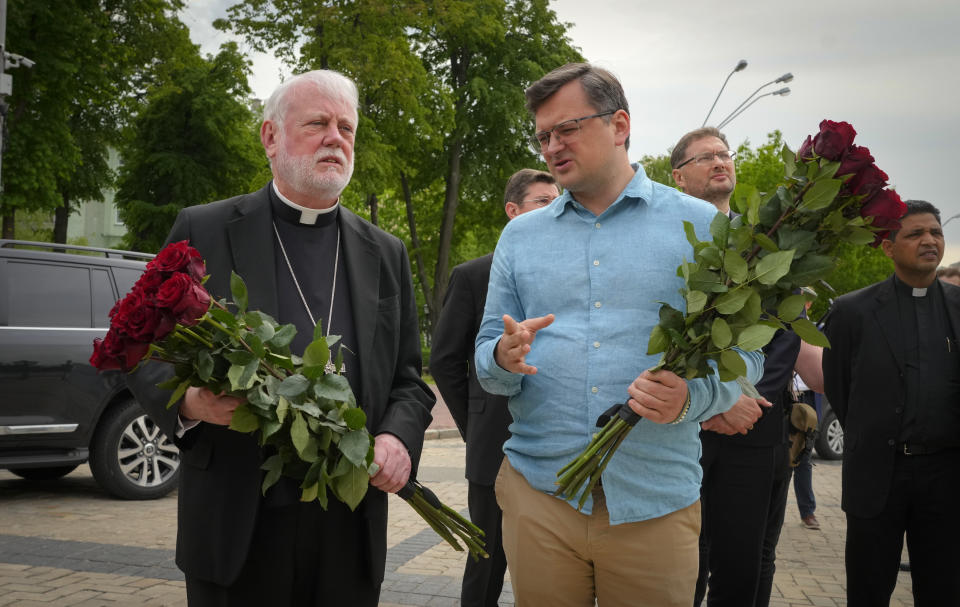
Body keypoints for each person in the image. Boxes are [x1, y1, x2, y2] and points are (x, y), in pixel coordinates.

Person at [127, 70, 435, 606]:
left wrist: (396, 439)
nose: (335, 138)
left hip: (349, 520)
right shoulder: (204, 229)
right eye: (318, 123)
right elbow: (140, 346)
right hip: (236, 521)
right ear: (271, 137)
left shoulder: (386, 252)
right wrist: (193, 403)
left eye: (347, 127)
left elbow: (409, 379)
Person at [474, 63, 765, 607]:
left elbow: (748, 355)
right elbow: (486, 355)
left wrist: (692, 398)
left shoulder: (705, 228)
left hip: (653, 501)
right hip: (540, 496)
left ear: (620, 125)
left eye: (568, 128)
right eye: (543, 136)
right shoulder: (520, 236)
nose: (552, 146)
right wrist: (502, 356)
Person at [671, 127, 823, 606]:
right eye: (705, 157)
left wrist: (744, 399)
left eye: (724, 154)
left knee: (741, 562)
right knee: (681, 559)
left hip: (754, 425)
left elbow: (784, 334)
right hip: (680, 425)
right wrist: (705, 401)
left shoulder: (768, 242)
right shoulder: (667, 238)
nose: (720, 162)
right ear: (678, 177)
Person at [431, 168, 559, 607]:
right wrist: (475, 425)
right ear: (513, 211)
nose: (554, 208)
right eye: (543, 201)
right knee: (487, 565)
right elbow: (444, 361)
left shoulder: (568, 275)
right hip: (495, 450)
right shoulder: (473, 276)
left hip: (559, 447)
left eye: (558, 201)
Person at [823, 199, 960, 606]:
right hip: (877, 475)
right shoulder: (852, 311)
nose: (929, 240)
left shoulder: (958, 307)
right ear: (888, 246)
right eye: (915, 233)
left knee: (944, 590)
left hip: (946, 477)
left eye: (935, 232)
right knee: (868, 589)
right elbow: (839, 388)